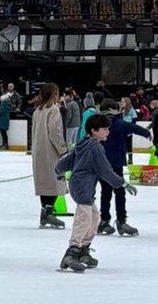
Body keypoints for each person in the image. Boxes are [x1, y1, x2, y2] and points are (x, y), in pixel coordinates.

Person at [54, 114, 131, 272]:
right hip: (83, 187)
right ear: (94, 131)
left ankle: (83, 249)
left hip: (80, 185)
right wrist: (121, 183)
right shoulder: (96, 147)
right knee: (84, 219)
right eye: (104, 129)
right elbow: (105, 170)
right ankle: (71, 252)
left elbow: (70, 159)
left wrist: (59, 169)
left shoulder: (85, 143)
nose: (108, 132)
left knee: (95, 218)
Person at [96, 99, 151, 235]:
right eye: (116, 108)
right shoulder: (113, 122)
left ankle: (104, 220)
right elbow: (130, 127)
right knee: (119, 191)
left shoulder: (97, 121)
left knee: (106, 191)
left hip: (102, 163)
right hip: (115, 162)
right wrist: (146, 133)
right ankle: (121, 221)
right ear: (111, 109)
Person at [31, 83, 69, 230]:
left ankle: (45, 211)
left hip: (39, 151)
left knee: (44, 183)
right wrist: (62, 150)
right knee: (54, 182)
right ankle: (48, 212)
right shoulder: (53, 110)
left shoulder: (37, 111)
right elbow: (55, 131)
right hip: (51, 151)